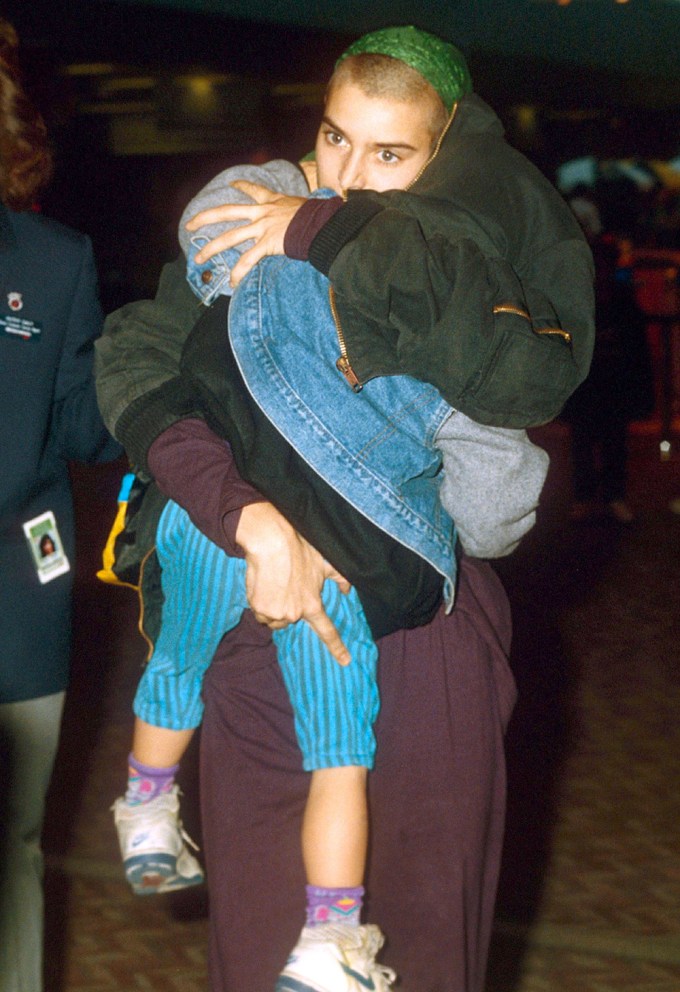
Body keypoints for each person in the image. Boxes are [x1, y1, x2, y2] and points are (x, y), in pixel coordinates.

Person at [96, 25, 595, 992]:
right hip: (255, 614)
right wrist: (246, 514)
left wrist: (326, 240)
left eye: (391, 155)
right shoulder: (253, 207)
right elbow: (138, 358)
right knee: (258, 941)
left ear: (445, 152)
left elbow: (499, 501)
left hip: (417, 637)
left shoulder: (466, 251)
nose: (350, 174)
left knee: (418, 941)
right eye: (334, 139)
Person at [0, 17, 122, 992]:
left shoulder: (53, 260)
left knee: (12, 845)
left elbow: (87, 426)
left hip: (15, 596)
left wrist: (180, 386)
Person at [563, 234, 654, 523]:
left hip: (610, 384)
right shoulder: (581, 299)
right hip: (590, 385)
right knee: (584, 444)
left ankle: (610, 496)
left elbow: (637, 349)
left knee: (613, 443)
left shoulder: (619, 301)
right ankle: (587, 496)